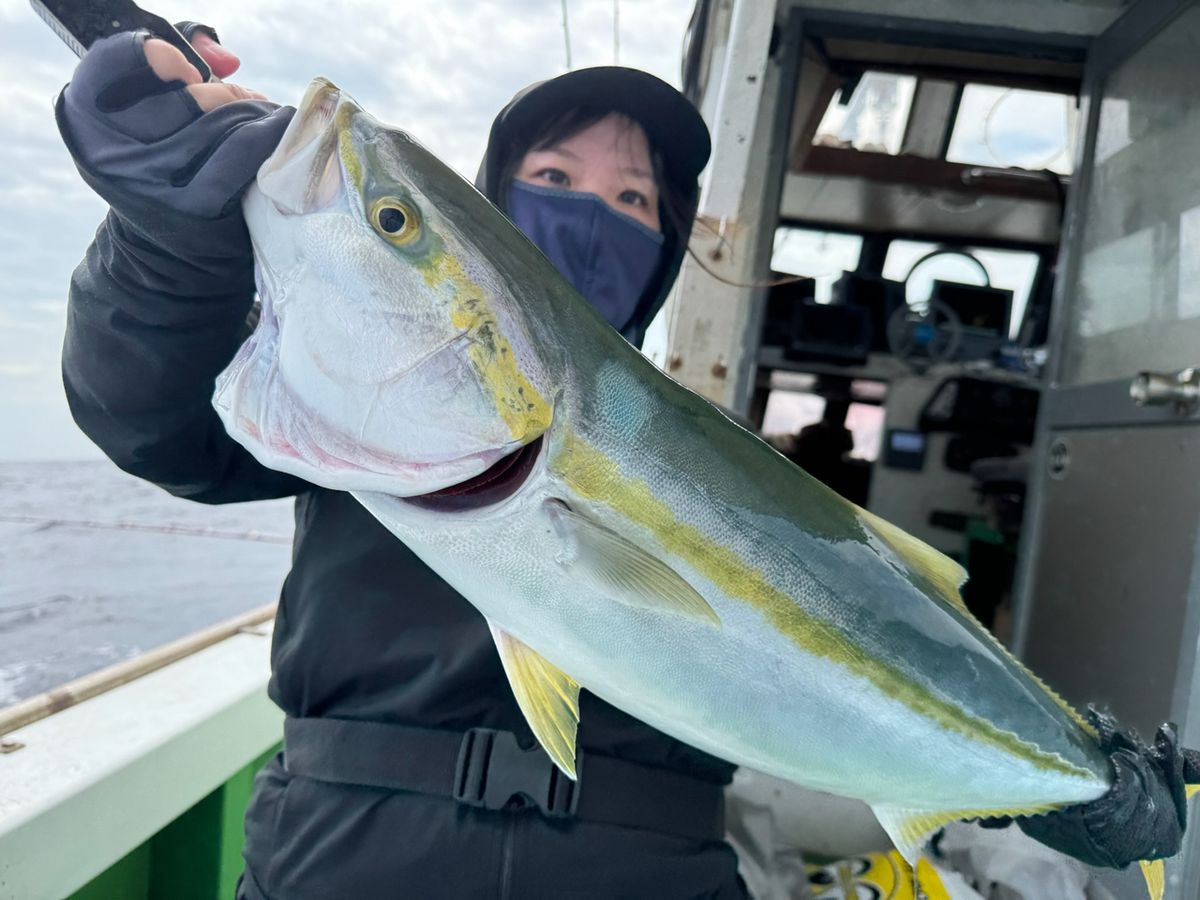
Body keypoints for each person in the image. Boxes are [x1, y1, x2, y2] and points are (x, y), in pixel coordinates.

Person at [55, 21, 1197, 899]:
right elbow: (149, 419)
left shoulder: (725, 465)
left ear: (662, 249)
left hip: (644, 867)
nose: (593, 215)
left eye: (635, 198)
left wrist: (1063, 775)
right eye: (552, 183)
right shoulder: (348, 424)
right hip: (346, 852)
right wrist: (167, 238)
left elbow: (872, 660)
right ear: (493, 214)